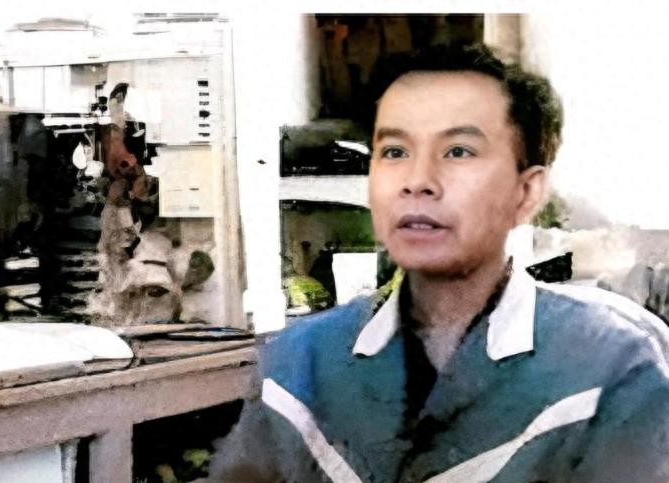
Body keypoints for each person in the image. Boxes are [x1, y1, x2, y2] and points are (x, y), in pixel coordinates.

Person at [206, 43, 669, 482]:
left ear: (526, 192)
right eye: (394, 152)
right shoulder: (297, 365)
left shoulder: (607, 366)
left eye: (458, 151)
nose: (417, 180)